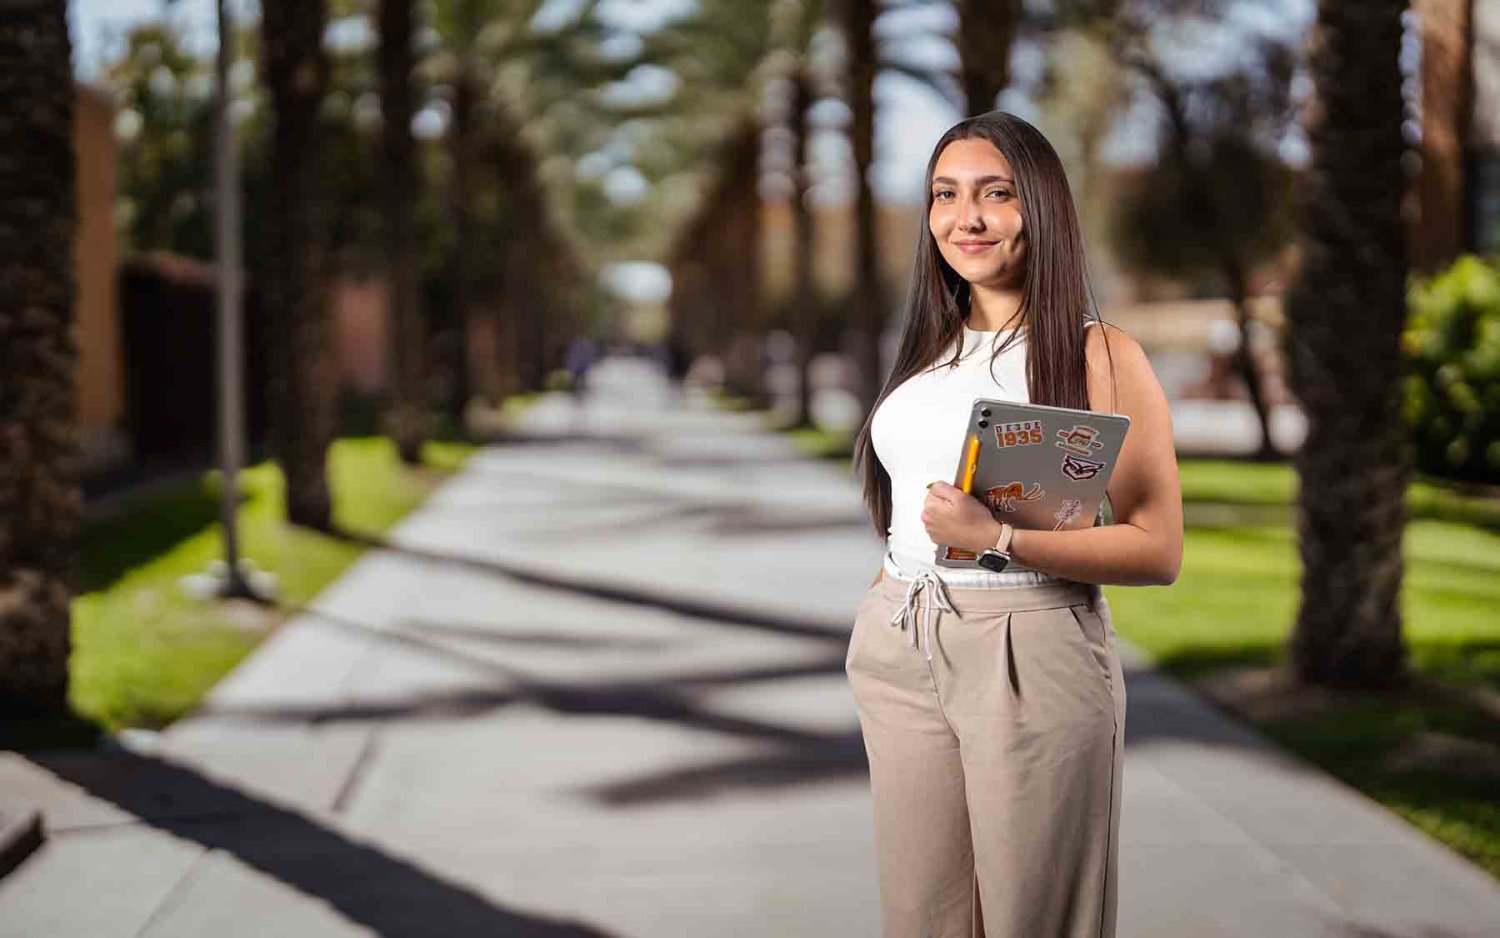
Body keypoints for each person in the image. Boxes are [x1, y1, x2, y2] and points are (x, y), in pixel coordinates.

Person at [845, 111, 1183, 937]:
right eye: (945, 195)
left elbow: (1157, 547)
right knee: (922, 917)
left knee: (1036, 918)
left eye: (996, 194)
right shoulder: (928, 353)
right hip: (902, 642)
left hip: (1028, 647)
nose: (967, 218)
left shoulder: (1096, 352)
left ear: (1041, 208)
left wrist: (999, 539)